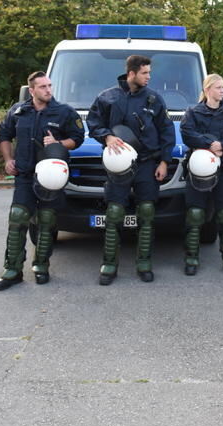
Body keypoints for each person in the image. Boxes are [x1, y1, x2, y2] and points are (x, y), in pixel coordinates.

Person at [87, 55, 175, 285]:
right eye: (145, 73)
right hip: (118, 164)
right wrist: (106, 136)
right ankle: (109, 265)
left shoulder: (155, 99)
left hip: (147, 163)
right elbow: (94, 123)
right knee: (114, 212)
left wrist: (164, 162)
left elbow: (166, 132)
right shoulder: (107, 98)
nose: (149, 77)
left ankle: (144, 263)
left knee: (146, 212)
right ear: (132, 73)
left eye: (149, 73)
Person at [0, 71, 84, 290]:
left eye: (50, 85)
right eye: (42, 87)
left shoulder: (64, 112)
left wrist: (59, 143)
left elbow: (78, 139)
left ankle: (41, 266)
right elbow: (4, 135)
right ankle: (12, 270)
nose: (48, 90)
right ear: (31, 90)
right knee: (17, 217)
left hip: (51, 176)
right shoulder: (18, 111)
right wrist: (8, 160)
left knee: (46, 220)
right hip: (24, 174)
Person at [180, 74, 223, 276]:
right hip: (198, 172)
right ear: (208, 89)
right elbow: (187, 133)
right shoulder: (193, 112)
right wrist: (210, 145)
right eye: (218, 87)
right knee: (195, 214)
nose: (222, 91)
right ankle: (191, 257)